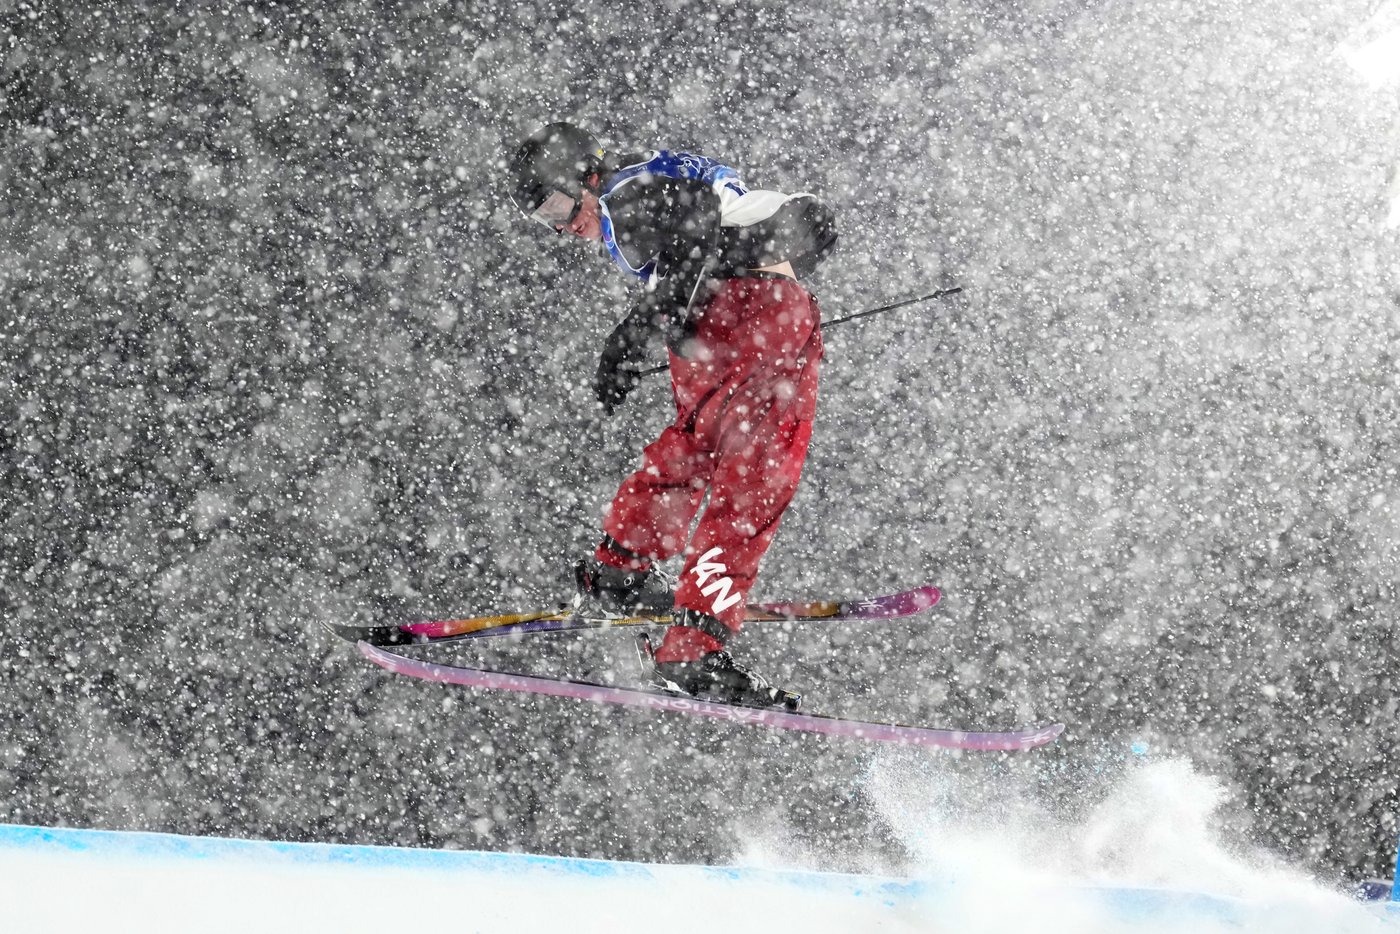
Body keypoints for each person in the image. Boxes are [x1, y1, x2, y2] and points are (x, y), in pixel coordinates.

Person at [508, 122, 836, 709]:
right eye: (543, 219)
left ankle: (622, 569)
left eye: (557, 205)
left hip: (720, 323)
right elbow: (706, 221)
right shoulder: (643, 190)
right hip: (754, 317)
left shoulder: (626, 189)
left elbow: (696, 219)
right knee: (752, 477)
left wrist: (640, 329)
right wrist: (647, 325)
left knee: (696, 447)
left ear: (586, 174)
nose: (561, 226)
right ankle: (693, 645)